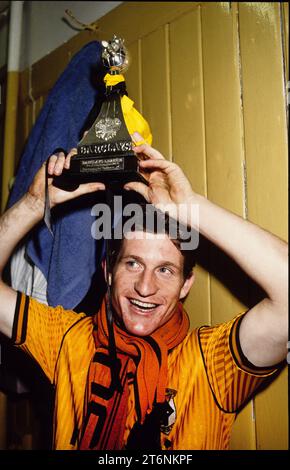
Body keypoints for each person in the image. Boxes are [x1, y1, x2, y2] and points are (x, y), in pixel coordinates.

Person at [0, 141, 288, 450]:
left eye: (165, 269)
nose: (145, 287)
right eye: (133, 263)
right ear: (108, 272)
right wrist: (33, 203)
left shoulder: (208, 364)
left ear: (186, 284)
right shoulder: (69, 340)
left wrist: (190, 206)